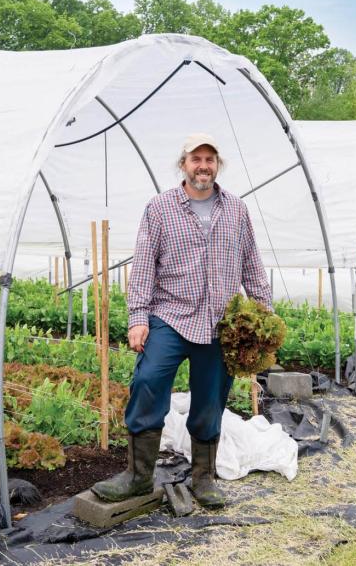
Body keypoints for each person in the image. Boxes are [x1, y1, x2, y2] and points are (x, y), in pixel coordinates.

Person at [90, 133, 272, 509]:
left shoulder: (236, 210)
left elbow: (251, 262)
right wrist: (138, 318)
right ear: (183, 164)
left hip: (219, 323)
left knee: (210, 401)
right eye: (196, 159)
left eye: (209, 159)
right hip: (170, 317)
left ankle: (203, 478)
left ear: (217, 165)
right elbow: (143, 266)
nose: (203, 166)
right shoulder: (159, 208)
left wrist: (263, 312)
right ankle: (138, 477)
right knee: (148, 381)